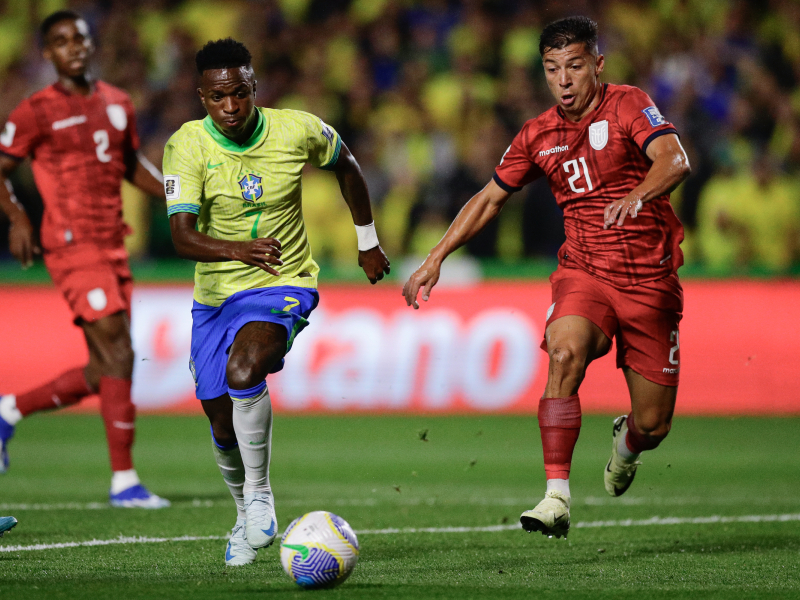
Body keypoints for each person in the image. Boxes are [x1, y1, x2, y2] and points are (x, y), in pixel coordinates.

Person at [403, 16, 690, 539]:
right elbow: (490, 197)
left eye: (575, 67)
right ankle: (556, 495)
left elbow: (675, 159)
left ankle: (627, 444)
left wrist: (635, 196)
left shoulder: (628, 104)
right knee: (563, 353)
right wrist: (435, 256)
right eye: (552, 69)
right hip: (584, 272)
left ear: (597, 65)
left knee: (653, 424)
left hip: (649, 282)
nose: (563, 79)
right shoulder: (539, 134)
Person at [163, 38, 390, 565]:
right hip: (215, 296)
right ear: (202, 96)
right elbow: (180, 236)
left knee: (245, 371)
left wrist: (367, 240)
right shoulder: (187, 145)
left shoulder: (297, 129)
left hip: (283, 282)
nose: (231, 107)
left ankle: (261, 491)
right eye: (219, 97)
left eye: (240, 94)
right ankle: (244, 511)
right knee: (220, 419)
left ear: (253, 88)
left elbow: (348, 164)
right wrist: (239, 249)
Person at [0, 11, 169, 508]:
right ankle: (125, 482)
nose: (73, 46)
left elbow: (130, 164)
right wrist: (18, 218)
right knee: (118, 352)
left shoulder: (118, 103)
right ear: (48, 54)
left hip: (113, 244)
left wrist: (176, 196)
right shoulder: (35, 110)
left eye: (80, 38)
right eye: (60, 41)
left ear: (91, 45)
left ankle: (9, 410)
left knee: (105, 368)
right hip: (72, 247)